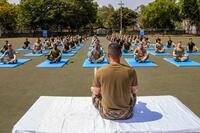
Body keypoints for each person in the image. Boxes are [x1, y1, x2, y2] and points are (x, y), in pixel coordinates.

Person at [91, 42, 138, 120]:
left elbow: (96, 92)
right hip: (126, 113)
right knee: (133, 95)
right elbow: (134, 90)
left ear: (108, 55)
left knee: (94, 92)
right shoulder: (131, 71)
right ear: (120, 55)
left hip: (106, 113)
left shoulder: (100, 71)